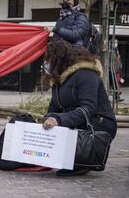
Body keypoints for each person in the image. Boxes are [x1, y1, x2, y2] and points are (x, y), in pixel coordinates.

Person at [42, 40, 117, 176]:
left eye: (48, 59)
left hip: (99, 124)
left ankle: (80, 162)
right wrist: (47, 119)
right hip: (78, 122)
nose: (46, 63)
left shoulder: (86, 75)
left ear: (58, 60)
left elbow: (88, 108)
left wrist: (59, 120)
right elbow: (54, 108)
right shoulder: (60, 80)